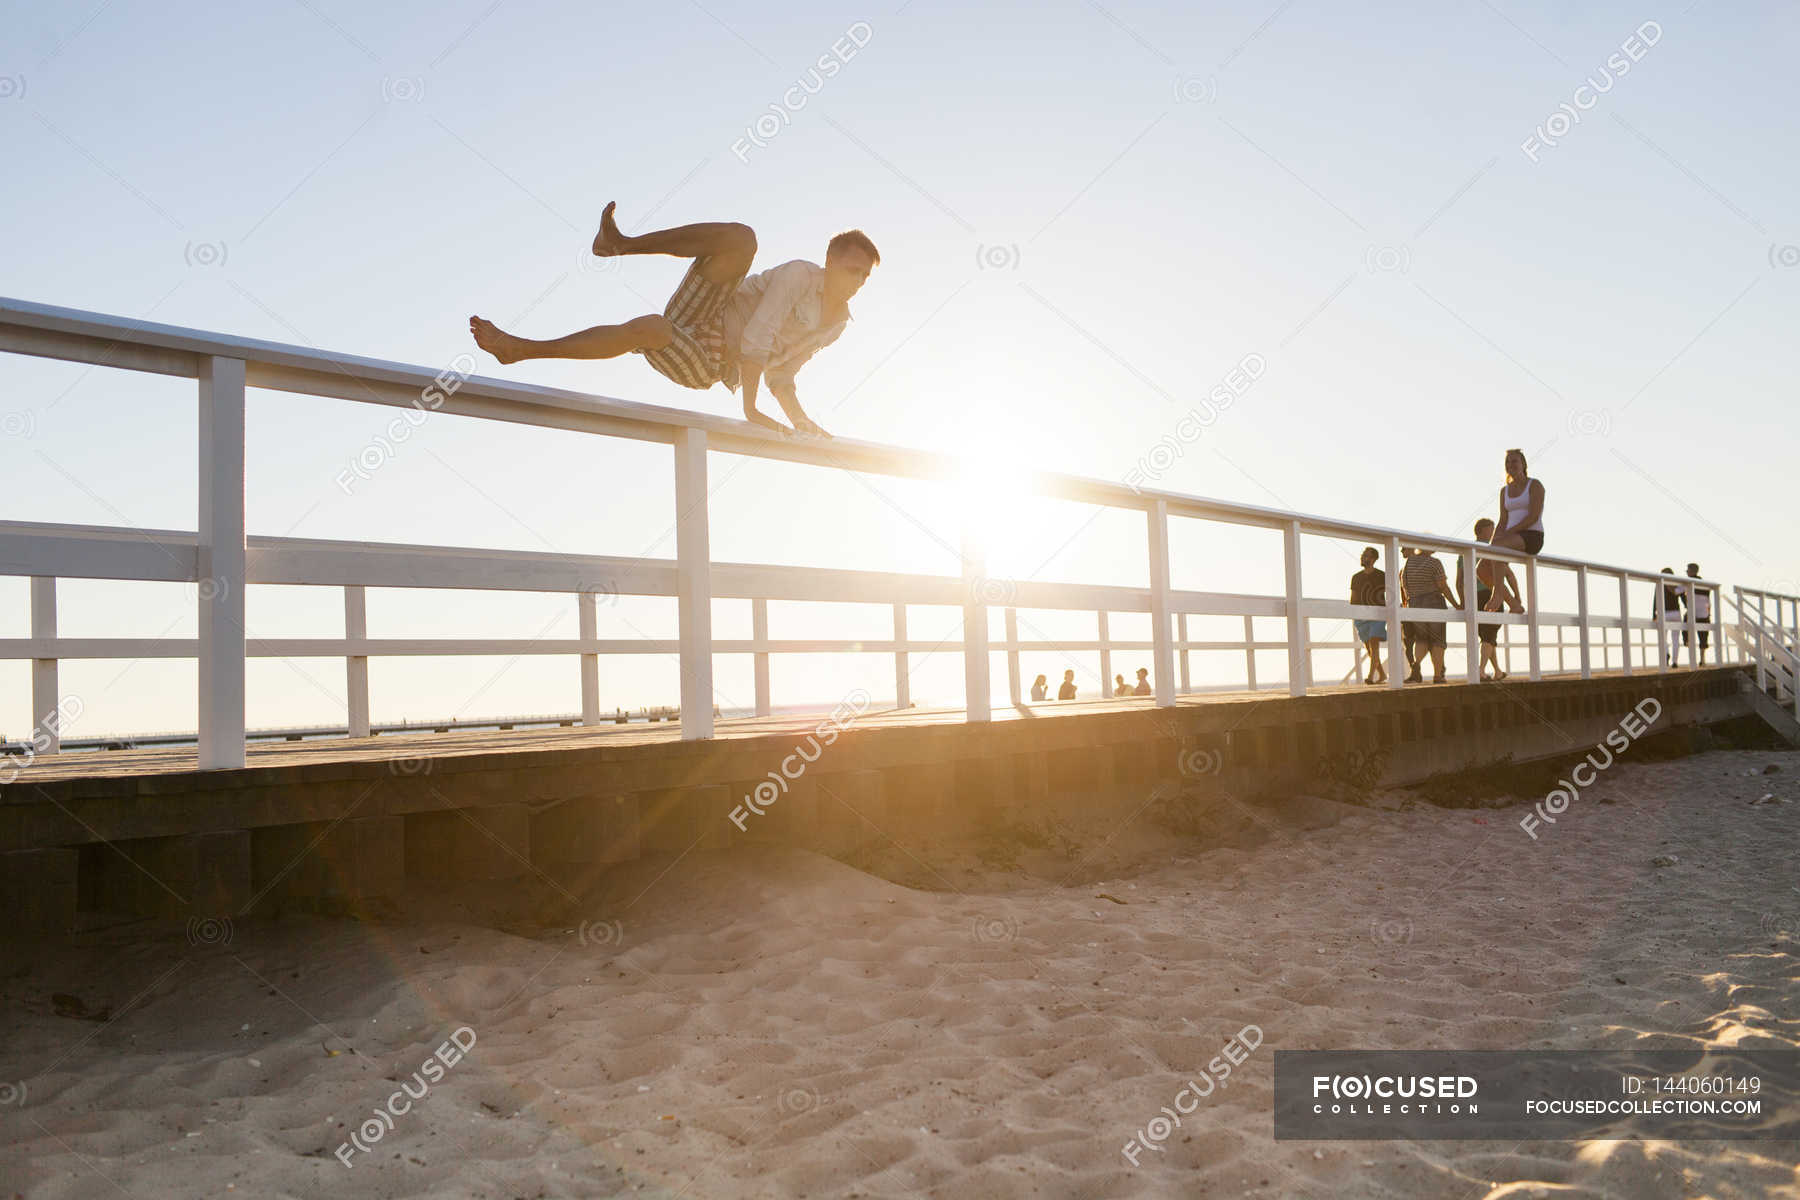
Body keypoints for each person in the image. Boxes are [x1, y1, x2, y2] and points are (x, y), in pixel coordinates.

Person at [470, 203, 879, 437]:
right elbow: (760, 334)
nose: (857, 280)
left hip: (709, 360)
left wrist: (802, 423)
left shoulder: (838, 323)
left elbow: (784, 375)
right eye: (850, 269)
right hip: (710, 312)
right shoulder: (797, 276)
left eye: (864, 275)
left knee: (651, 328)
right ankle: (619, 245)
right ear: (829, 262)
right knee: (742, 239)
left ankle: (521, 350)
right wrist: (750, 409)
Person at [1471, 518, 1523, 682]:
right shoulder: (1493, 549)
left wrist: (1463, 599)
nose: (1493, 533)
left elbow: (1460, 579)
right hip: (1491, 593)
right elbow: (1508, 574)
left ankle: (1497, 671)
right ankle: (1479, 670)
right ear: (1481, 531)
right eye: (1491, 529)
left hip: (1474, 596)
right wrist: (1517, 596)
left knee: (1488, 635)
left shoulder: (1466, 549)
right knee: (1489, 635)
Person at [1402, 544, 1462, 683]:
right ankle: (1437, 676)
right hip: (1433, 601)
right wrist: (1456, 604)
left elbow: (1405, 585)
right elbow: (1442, 586)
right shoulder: (1434, 562)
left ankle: (1416, 664)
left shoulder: (1409, 562)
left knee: (1421, 639)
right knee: (1438, 640)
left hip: (1414, 604)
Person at [1491, 448, 1545, 555]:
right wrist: (1494, 539)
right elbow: (1503, 520)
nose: (1510, 464)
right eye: (1507, 462)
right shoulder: (1504, 491)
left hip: (1532, 535)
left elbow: (1533, 517)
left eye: (1514, 461)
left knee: (1496, 549)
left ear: (1523, 464)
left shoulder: (1535, 485)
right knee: (1483, 564)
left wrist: (1509, 533)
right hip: (1510, 537)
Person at [1349, 546, 1388, 685]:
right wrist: (1353, 614)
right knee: (1369, 647)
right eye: (1362, 555)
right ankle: (1382, 674)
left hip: (1377, 614)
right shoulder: (1356, 577)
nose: (1362, 557)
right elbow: (1353, 599)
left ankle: (1371, 676)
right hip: (1361, 616)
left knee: (1374, 644)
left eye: (1366, 555)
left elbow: (1390, 593)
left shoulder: (1382, 575)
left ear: (1373, 559)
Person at [1684, 563, 1713, 665]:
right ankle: (1702, 659)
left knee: (1687, 630)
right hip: (1704, 612)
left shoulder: (1688, 582)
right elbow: (1708, 600)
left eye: (1687, 570)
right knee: (1703, 636)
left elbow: (1677, 592)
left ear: (1691, 571)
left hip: (1693, 612)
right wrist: (1709, 612)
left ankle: (1687, 642)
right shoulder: (1705, 584)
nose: (1686, 572)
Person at [1658, 568, 1685, 666]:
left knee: (1663, 638)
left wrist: (1654, 614)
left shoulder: (1659, 583)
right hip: (1676, 613)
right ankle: (1675, 661)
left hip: (1664, 613)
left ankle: (1666, 654)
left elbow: (1655, 599)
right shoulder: (1677, 584)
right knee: (1675, 639)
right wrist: (1687, 607)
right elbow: (1683, 597)